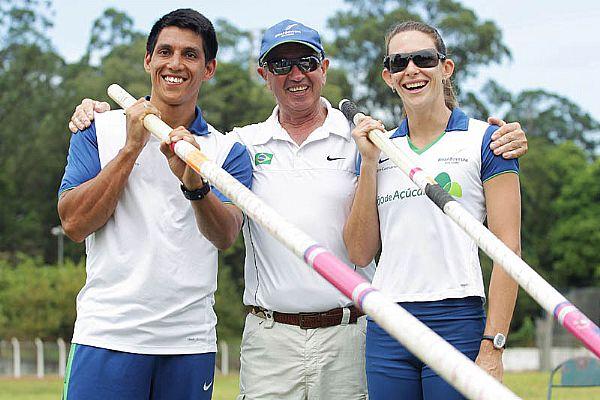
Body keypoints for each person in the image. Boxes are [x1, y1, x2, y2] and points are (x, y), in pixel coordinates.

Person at [67, 19, 527, 400]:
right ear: (263, 74)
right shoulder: (239, 144)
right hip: (271, 339)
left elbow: (427, 144)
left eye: (306, 62)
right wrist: (92, 112)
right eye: (281, 64)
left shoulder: (367, 141)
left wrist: (501, 136)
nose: (296, 74)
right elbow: (223, 228)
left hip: (351, 334)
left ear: (323, 68)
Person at [57, 9, 252, 400]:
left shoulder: (228, 151)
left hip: (188, 342)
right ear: (148, 61)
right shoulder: (98, 129)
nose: (175, 64)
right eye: (165, 51)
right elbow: (74, 224)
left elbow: (226, 235)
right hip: (108, 334)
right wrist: (131, 148)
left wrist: (195, 183)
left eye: (190, 55)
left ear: (209, 68)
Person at [344, 20, 521, 400]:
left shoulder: (487, 141)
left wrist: (494, 345)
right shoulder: (377, 148)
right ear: (388, 77)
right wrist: (370, 163)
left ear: (445, 67)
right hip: (388, 322)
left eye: (423, 58)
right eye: (399, 62)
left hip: (457, 318)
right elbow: (358, 252)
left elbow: (509, 250)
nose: (412, 70)